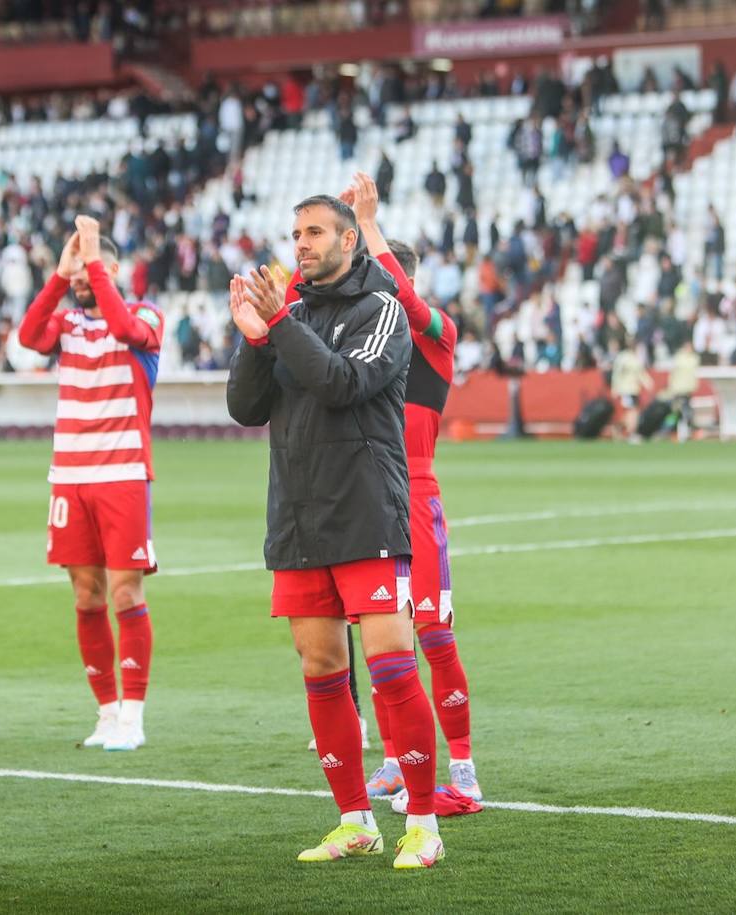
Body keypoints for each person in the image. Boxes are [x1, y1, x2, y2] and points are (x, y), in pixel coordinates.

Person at [226, 194, 443, 869]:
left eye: (315, 231)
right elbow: (245, 407)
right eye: (296, 233)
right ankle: (355, 821)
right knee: (321, 669)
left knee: (391, 665)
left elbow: (341, 382)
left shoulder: (381, 309)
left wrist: (278, 322)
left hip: (364, 511)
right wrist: (254, 339)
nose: (302, 243)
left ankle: (424, 822)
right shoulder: (289, 312)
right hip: (297, 515)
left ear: (349, 240)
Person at [291, 173, 482, 807]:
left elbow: (401, 295)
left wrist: (366, 225)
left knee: (434, 636)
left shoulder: (436, 332)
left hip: (415, 494)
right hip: (366, 492)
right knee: (383, 643)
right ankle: (398, 761)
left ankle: (463, 772)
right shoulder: (360, 330)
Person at [17, 216, 163, 752]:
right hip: (70, 476)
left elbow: (124, 329)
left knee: (125, 592)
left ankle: (134, 716)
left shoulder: (145, 314)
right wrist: (60, 274)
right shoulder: (68, 323)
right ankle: (106, 712)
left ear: (111, 268)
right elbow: (28, 337)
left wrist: (93, 260)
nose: (80, 274)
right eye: (76, 266)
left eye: (88, 265)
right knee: (86, 595)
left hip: (123, 473)